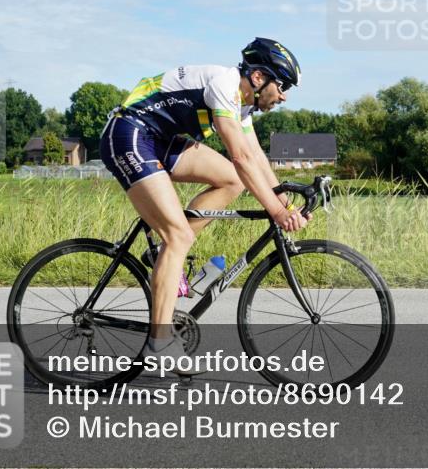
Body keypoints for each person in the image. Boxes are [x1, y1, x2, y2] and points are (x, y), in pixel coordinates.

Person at [100, 38, 308, 374]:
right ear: (258, 79)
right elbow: (239, 156)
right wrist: (277, 212)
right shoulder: (224, 86)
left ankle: (165, 255)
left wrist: (286, 201)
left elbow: (256, 158)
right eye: (281, 86)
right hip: (131, 133)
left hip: (162, 140)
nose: (283, 96)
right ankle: (160, 341)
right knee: (178, 236)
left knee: (231, 181)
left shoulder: (241, 105)